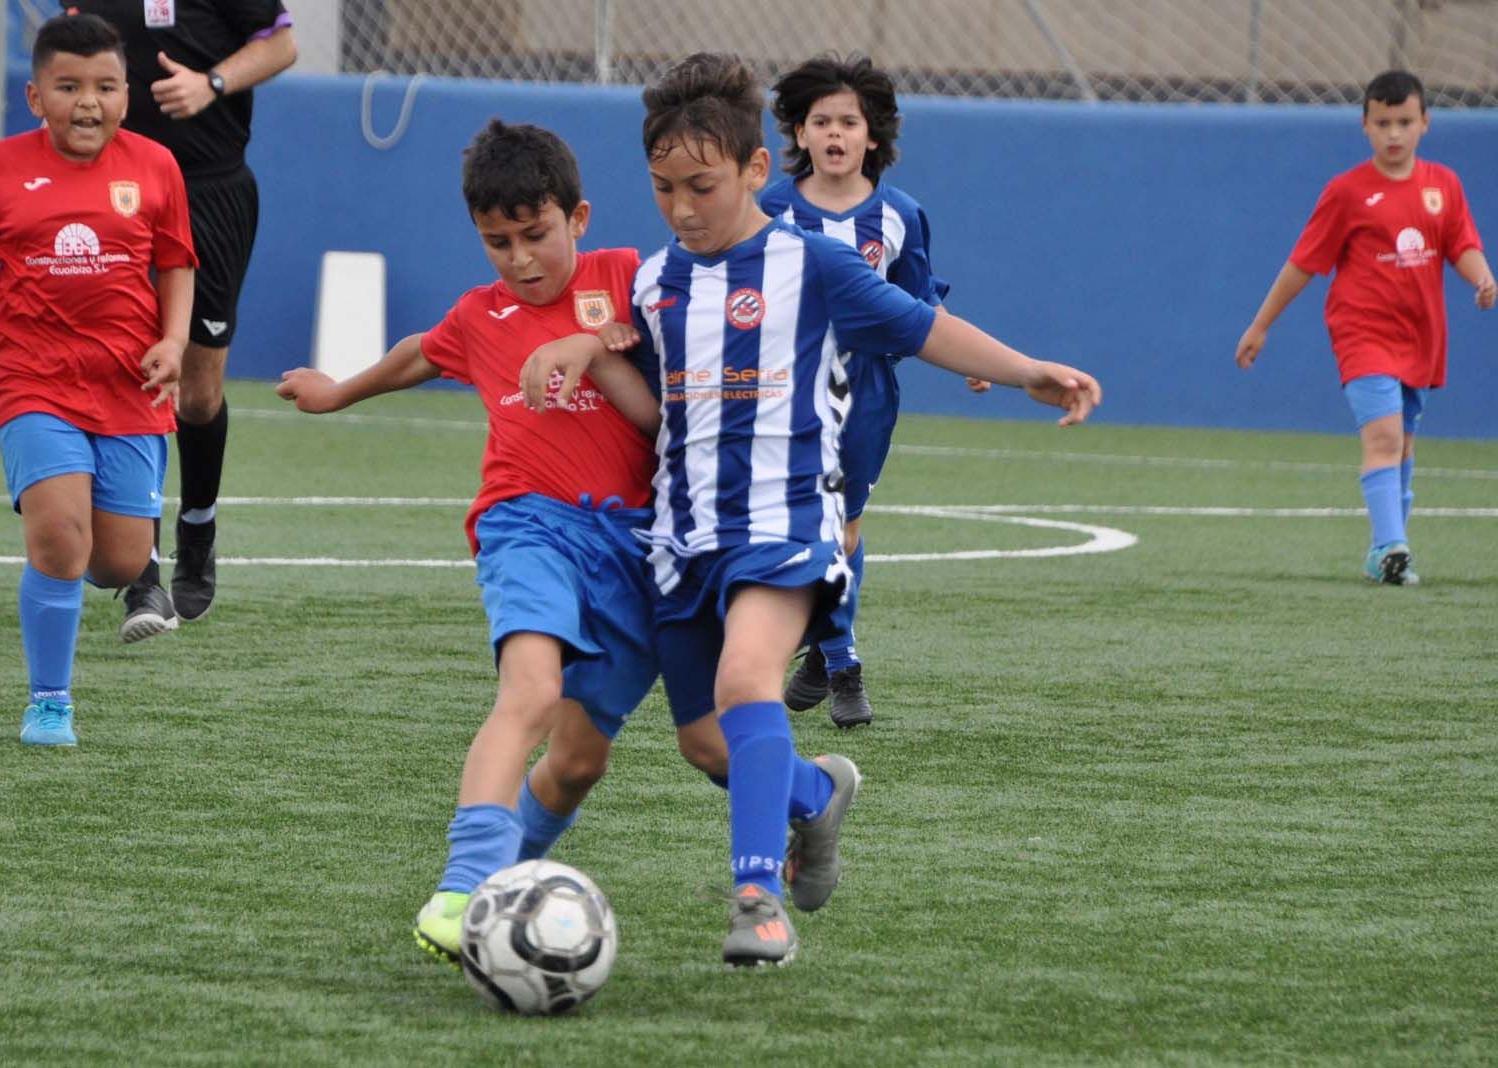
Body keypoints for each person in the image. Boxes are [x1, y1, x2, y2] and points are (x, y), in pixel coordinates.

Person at [522, 52, 1101, 969]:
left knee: (750, 680)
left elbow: (923, 323)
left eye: (702, 186)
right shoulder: (653, 285)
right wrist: (585, 348)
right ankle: (814, 798)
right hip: (682, 540)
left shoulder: (815, 265)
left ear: (758, 170)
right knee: (706, 744)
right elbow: (639, 391)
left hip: (786, 521)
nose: (681, 206)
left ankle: (757, 899)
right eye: (664, 187)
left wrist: (1029, 367)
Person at [274, 120, 736, 967]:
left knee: (577, 762)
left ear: (579, 218)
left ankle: (508, 891)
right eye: (498, 243)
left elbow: (668, 405)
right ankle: (462, 891)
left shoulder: (630, 279)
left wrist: (600, 348)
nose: (521, 259)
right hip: (526, 525)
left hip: (636, 549)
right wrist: (339, 391)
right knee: (526, 694)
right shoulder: (479, 316)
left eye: (536, 235)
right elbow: (423, 352)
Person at [0, 13, 196, 746]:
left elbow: (175, 264)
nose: (88, 102)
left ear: (127, 94)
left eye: (105, 87)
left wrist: (173, 341)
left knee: (119, 560)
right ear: (36, 97)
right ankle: (50, 702)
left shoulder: (155, 168)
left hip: (127, 387)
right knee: (58, 539)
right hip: (33, 381)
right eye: (68, 86)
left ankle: (135, 564)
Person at [761, 52, 986, 729]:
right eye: (820, 120)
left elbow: (919, 304)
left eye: (848, 122)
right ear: (798, 133)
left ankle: (823, 651)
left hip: (864, 391)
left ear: (874, 136)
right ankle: (843, 661)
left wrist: (972, 359)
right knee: (801, 524)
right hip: (787, 389)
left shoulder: (900, 216)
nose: (834, 133)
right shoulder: (770, 210)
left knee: (845, 528)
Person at [68, 0, 297, 639]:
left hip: (210, 190)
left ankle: (197, 524)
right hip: (120, 196)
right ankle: (140, 569)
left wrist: (212, 82)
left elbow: (282, 44)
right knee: (133, 372)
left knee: (197, 394)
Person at [1236, 70, 1494, 586]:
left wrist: (1482, 276)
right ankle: (1393, 547)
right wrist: (1261, 324)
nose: (1394, 134)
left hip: (1421, 337)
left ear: (1425, 123)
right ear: (1365, 126)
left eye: (1404, 122)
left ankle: (1384, 551)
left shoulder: (1443, 186)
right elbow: (1303, 264)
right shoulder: (1347, 193)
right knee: (1382, 435)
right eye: (1382, 123)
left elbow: (1460, 243)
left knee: (1403, 445)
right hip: (1363, 335)